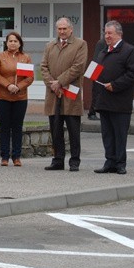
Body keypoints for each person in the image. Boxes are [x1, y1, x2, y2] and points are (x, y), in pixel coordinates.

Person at [93, 20, 134, 175]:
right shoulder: (102, 52)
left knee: (120, 135)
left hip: (120, 102)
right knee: (107, 135)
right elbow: (96, 72)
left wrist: (115, 84)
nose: (107, 36)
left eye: (110, 33)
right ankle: (110, 162)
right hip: (104, 101)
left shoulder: (129, 50)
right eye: (105, 33)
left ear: (119, 34)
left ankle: (120, 163)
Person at [40, 17, 88, 172]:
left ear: (71, 29)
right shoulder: (50, 46)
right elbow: (43, 67)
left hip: (70, 93)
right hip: (53, 94)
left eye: (64, 28)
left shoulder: (80, 44)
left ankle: (74, 161)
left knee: (73, 130)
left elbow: (78, 67)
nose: (62, 31)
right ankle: (58, 160)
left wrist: (59, 81)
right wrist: (52, 84)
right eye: (59, 29)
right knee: (55, 129)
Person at [0, 31, 34, 167]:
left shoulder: (25, 57)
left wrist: (19, 86)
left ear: (20, 43)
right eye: (10, 41)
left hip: (20, 97)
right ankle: (4, 156)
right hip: (3, 96)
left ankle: (16, 156)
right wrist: (8, 85)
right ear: (6, 43)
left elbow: (30, 77)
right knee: (4, 126)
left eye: (15, 41)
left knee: (17, 126)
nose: (13, 43)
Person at [87, 38, 107, 121]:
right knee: (96, 93)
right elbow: (97, 58)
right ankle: (92, 113)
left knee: (98, 92)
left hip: (98, 70)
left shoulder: (104, 42)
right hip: (97, 70)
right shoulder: (102, 43)